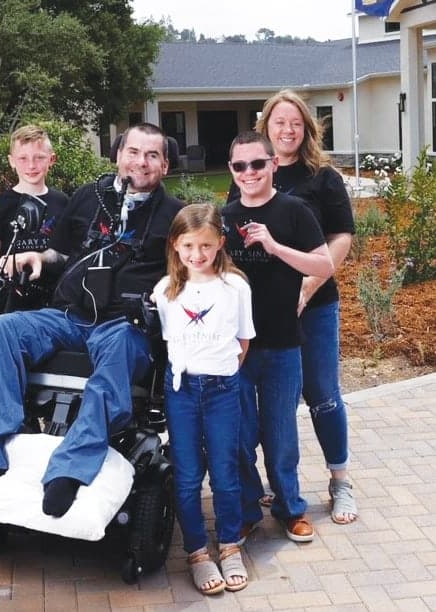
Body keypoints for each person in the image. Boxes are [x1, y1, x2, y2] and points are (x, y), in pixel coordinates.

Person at [0, 123, 183, 517]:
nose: (140, 162)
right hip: (70, 317)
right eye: (133, 152)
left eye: (152, 155)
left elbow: (187, 273)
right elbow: (59, 254)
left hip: (123, 325)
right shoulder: (87, 198)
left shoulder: (176, 216)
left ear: (165, 165)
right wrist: (39, 258)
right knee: (7, 328)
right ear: (118, 155)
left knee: (123, 345)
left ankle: (71, 467)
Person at [228, 89, 357, 525]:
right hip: (263, 315)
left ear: (307, 129)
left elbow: (341, 238)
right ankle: (274, 487)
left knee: (322, 396)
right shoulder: (248, 172)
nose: (287, 130)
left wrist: (307, 287)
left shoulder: (322, 178)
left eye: (295, 123)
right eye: (279, 122)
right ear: (266, 130)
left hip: (315, 304)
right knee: (264, 408)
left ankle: (340, 481)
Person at [222, 131, 334, 543]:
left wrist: (274, 245)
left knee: (281, 434)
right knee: (238, 434)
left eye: (257, 164)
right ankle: (249, 508)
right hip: (236, 348)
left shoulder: (294, 211)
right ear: (232, 171)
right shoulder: (224, 216)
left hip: (284, 343)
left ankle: (290, 508)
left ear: (272, 164)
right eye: (240, 166)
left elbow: (324, 266)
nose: (249, 173)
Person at [151, 203, 255, 595]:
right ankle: (197, 551)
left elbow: (243, 340)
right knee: (188, 474)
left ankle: (229, 545)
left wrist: (222, 371)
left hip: (223, 390)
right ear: (176, 245)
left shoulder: (235, 286)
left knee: (225, 472)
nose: (198, 255)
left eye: (206, 246)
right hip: (182, 391)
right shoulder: (165, 291)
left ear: (220, 244)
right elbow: (167, 342)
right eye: (189, 246)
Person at [0, 125, 68, 322]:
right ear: (12, 161)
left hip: (54, 302)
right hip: (11, 305)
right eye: (23, 158)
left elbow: (67, 253)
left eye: (39, 157)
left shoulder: (63, 202)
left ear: (51, 160)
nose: (31, 165)